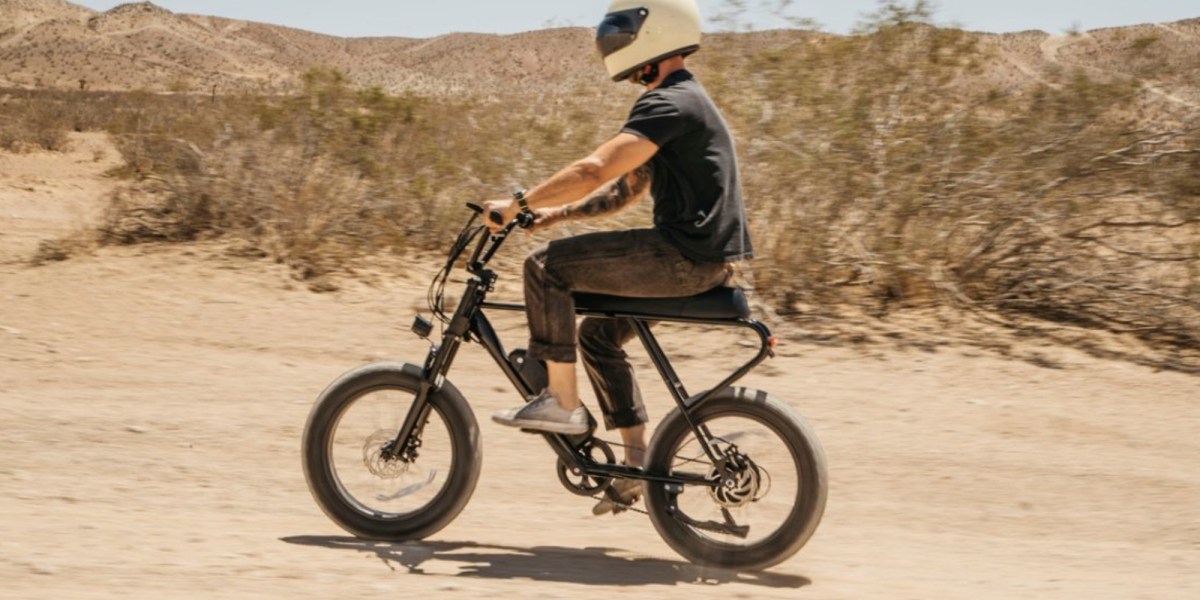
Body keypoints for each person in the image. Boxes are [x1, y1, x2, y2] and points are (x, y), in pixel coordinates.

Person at [485, 0, 753, 515]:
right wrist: (556, 214)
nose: (612, 38)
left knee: (546, 268)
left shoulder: (669, 103)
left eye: (622, 28)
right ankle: (636, 464)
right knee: (598, 335)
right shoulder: (681, 101)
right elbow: (627, 189)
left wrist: (516, 203)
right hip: (701, 259)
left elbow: (596, 170)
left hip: (679, 257)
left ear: (657, 34)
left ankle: (561, 405)